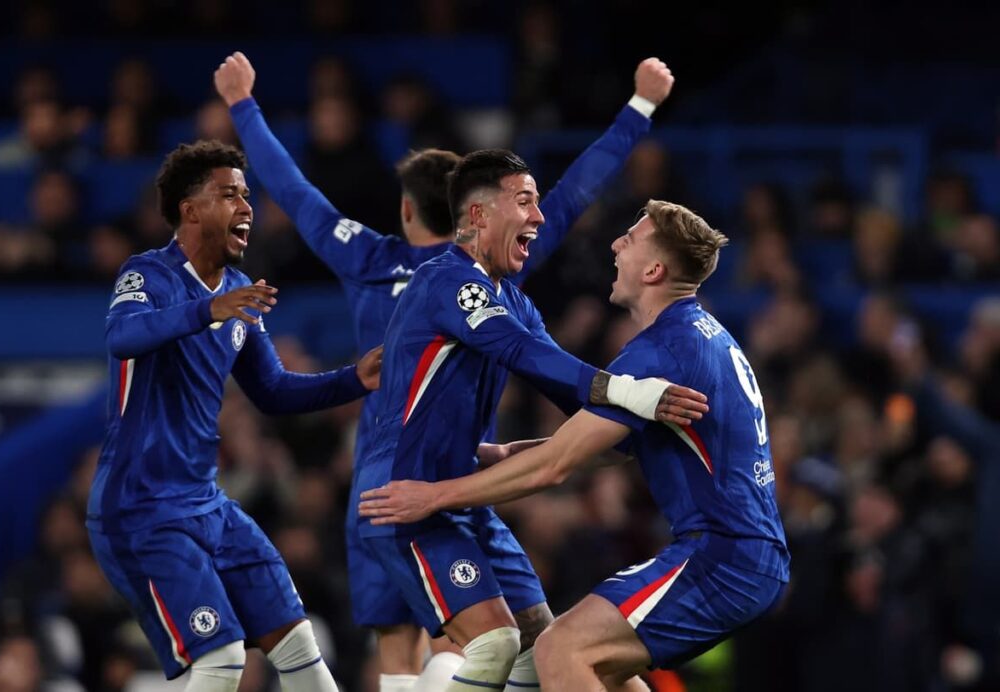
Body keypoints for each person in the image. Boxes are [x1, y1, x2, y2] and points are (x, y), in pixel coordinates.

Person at [214, 50, 678, 690]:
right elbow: (578, 189)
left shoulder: (374, 259)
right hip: (403, 483)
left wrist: (243, 104)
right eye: (526, 205)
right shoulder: (456, 281)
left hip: (447, 474)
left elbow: (293, 190)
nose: (538, 218)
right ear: (476, 211)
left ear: (407, 211)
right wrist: (640, 106)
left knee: (427, 650)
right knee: (490, 643)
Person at [360, 200, 791, 690]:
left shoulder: (663, 350)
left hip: (721, 558)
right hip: (742, 555)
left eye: (629, 238)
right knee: (591, 658)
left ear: (653, 270)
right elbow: (598, 449)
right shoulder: (699, 336)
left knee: (562, 650)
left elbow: (556, 466)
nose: (614, 244)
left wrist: (435, 495)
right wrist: (499, 454)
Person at [86, 140, 381, 692]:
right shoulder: (147, 276)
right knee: (222, 659)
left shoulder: (239, 291)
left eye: (247, 195)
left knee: (299, 646)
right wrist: (206, 310)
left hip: (207, 503)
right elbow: (122, 337)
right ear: (190, 209)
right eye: (230, 195)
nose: (247, 207)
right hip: (141, 508)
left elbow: (271, 390)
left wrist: (353, 379)